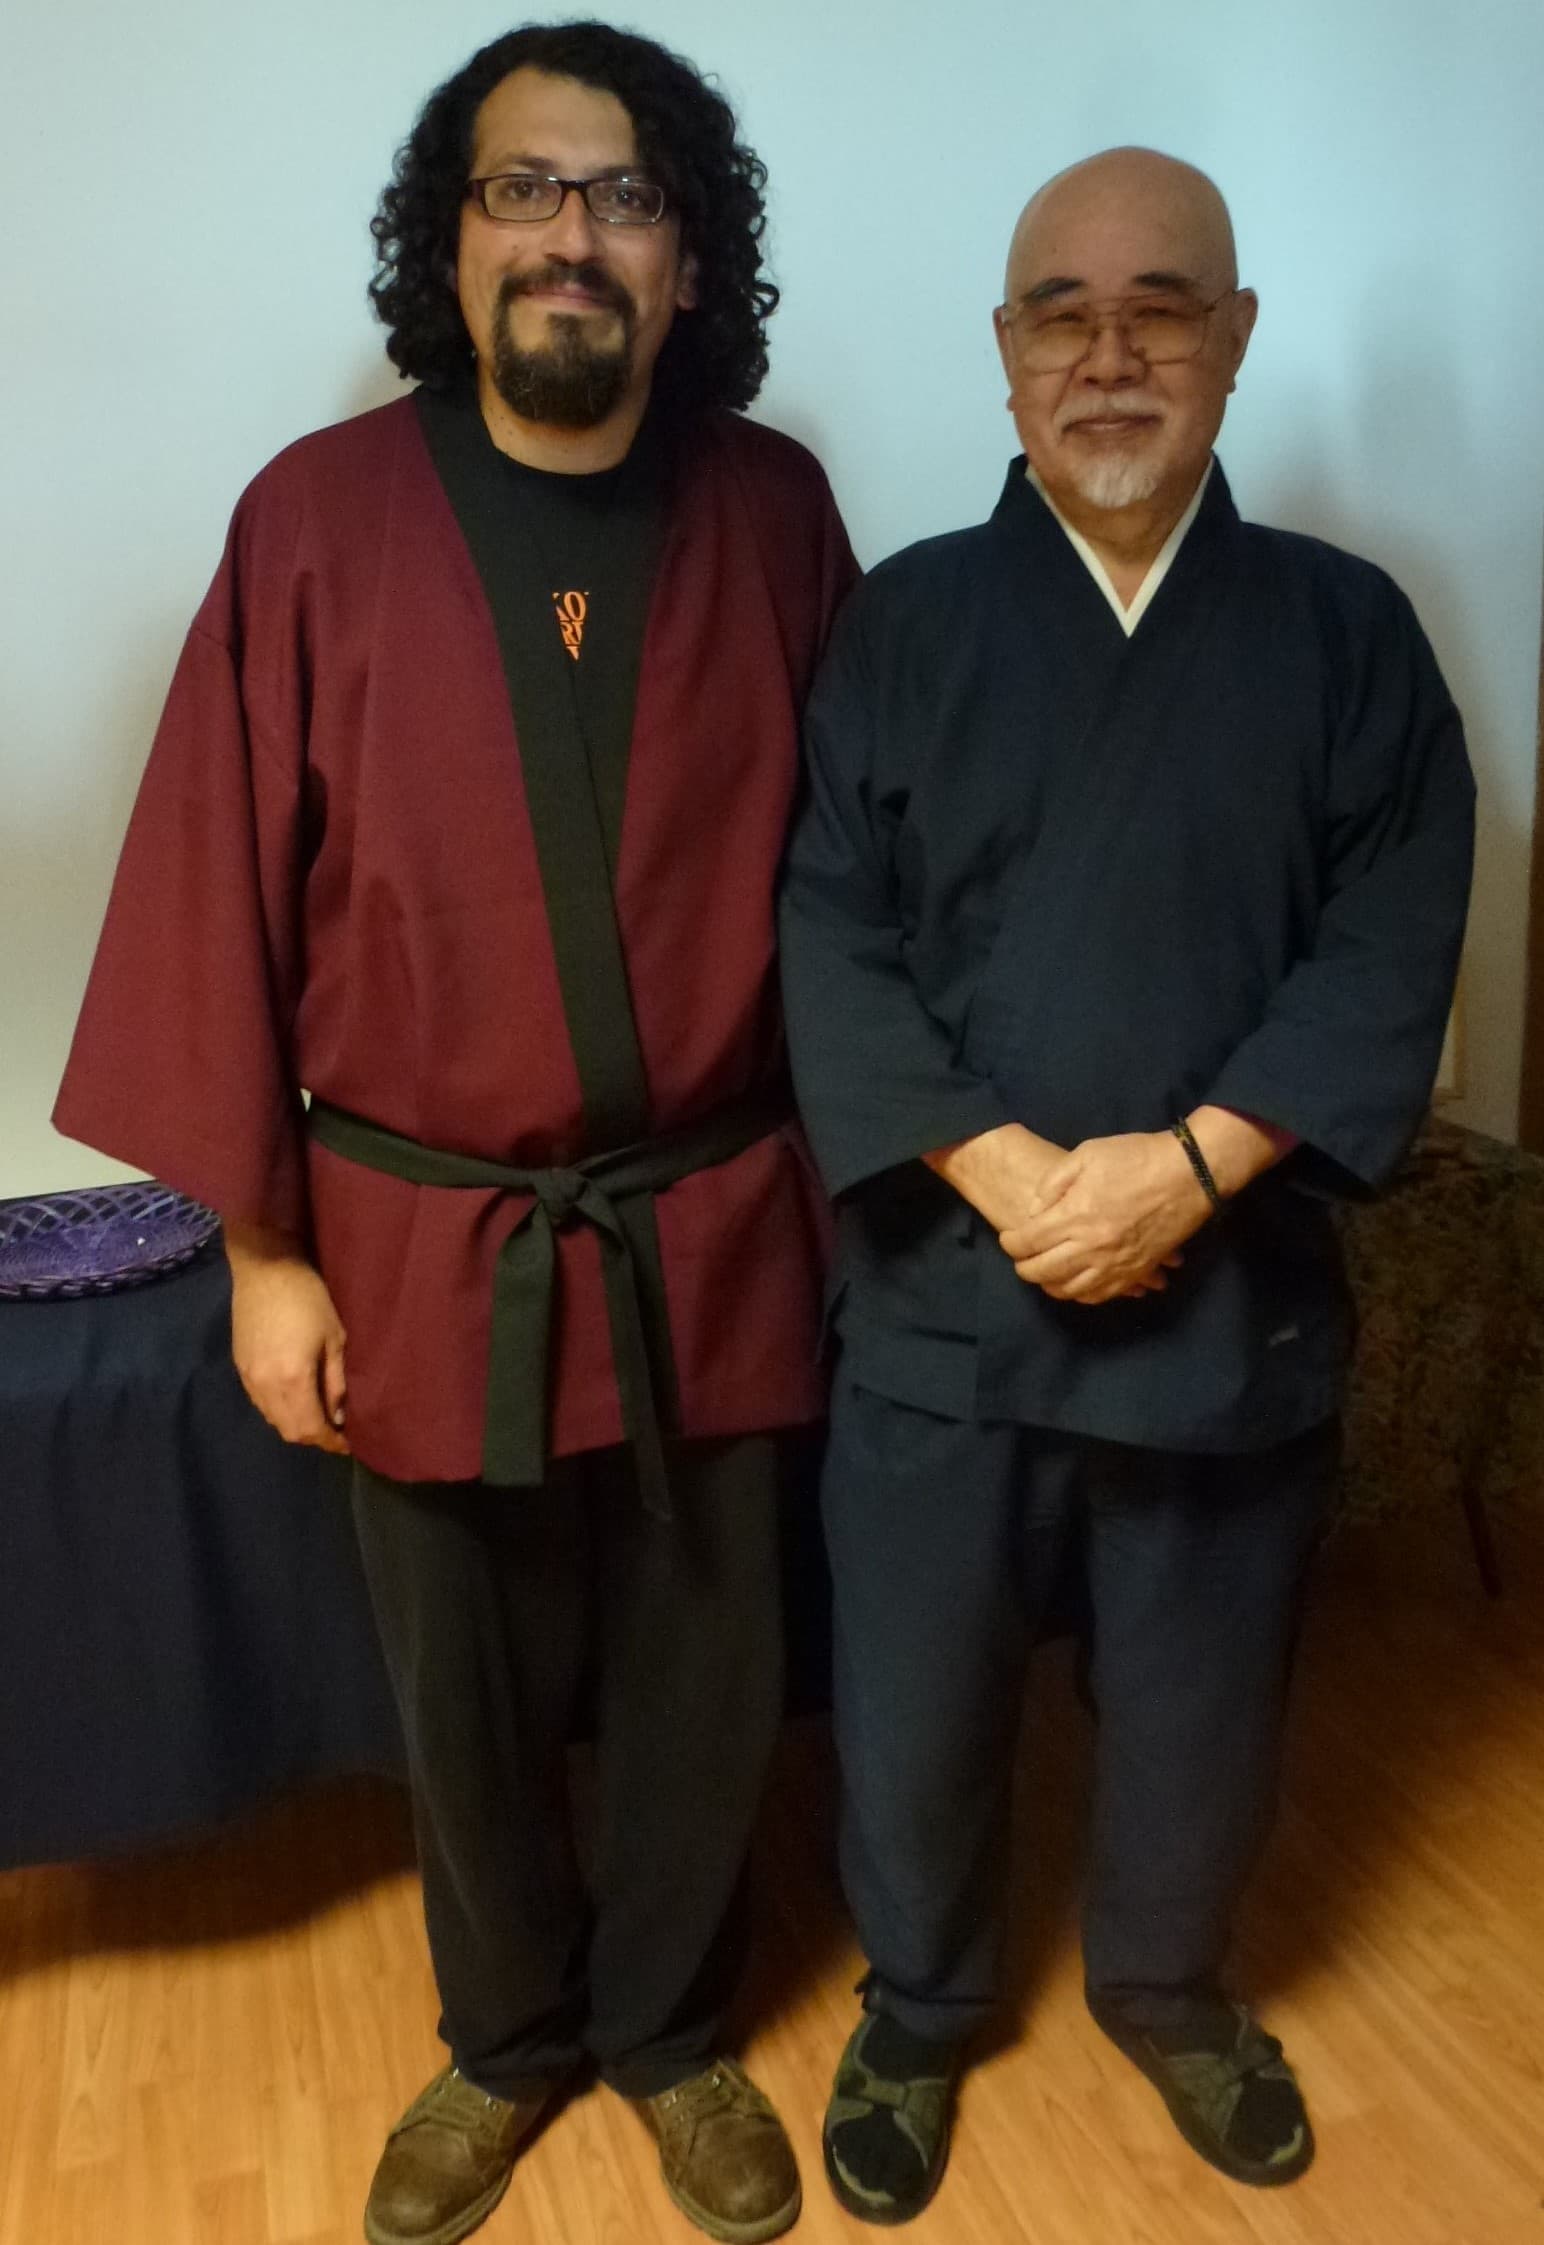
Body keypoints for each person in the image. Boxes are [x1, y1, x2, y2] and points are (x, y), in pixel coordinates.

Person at [55, 23, 856, 2245]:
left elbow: (862, 885)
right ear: (452, 239)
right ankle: (505, 2039)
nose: (570, 237)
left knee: (711, 1658)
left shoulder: (777, 514)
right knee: (464, 1672)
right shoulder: (314, 521)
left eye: (623, 196)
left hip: (714, 1213)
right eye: (524, 189)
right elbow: (214, 889)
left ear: (688, 257)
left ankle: (672, 2032)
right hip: (421, 1230)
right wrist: (260, 1254)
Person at [779, 146, 1474, 2221]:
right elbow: (829, 931)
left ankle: (1171, 1983)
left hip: (1220, 1288)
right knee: (913, 1698)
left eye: (1159, 307)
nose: (1110, 355)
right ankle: (919, 2003)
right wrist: (1009, 1175)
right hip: (946, 1286)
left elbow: (1392, 935)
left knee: (1200, 1696)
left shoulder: (1346, 631)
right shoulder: (905, 621)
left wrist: (1188, 1170)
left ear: (1233, 336)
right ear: (1003, 353)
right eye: (1060, 315)